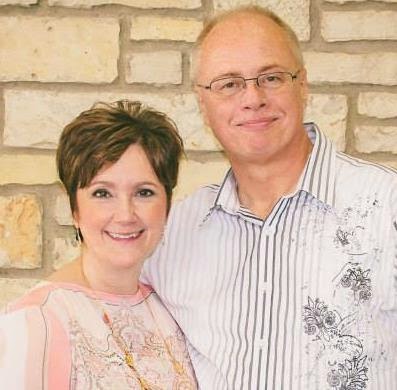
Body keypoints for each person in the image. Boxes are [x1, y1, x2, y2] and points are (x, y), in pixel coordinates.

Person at [142, 5, 397, 390]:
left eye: (271, 77)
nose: (253, 98)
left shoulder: (386, 209)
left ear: (303, 85)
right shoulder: (174, 232)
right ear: (202, 103)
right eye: (229, 84)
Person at [0, 100, 197, 389]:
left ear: (166, 205)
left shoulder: (170, 310)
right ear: (74, 209)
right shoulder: (37, 322)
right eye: (103, 193)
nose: (126, 214)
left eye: (144, 192)